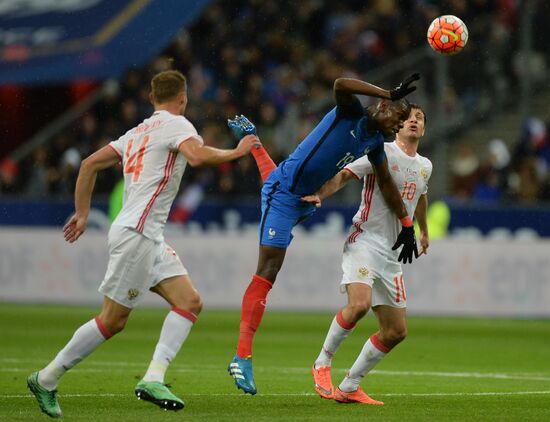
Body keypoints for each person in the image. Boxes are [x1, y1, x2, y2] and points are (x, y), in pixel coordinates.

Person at [27, 70, 260, 418]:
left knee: (190, 301)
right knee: (112, 320)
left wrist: (81, 213)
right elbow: (196, 157)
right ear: (183, 98)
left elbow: (89, 164)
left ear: (151, 98)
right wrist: (238, 150)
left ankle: (153, 377)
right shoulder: (178, 125)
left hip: (146, 235)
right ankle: (47, 377)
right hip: (137, 234)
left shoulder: (136, 132)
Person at [226, 74, 421, 395]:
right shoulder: (351, 112)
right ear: (383, 107)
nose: (397, 128)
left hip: (304, 198)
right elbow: (341, 83)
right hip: (283, 197)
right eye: (397, 119)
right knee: (268, 269)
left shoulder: (374, 143)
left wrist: (406, 222)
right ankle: (241, 357)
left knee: (284, 177)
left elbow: (385, 182)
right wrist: (387, 89)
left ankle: (254, 141)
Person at [307, 104, 431, 404]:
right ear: (398, 126)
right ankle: (322, 362)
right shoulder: (382, 151)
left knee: (396, 331)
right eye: (409, 118)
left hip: (392, 253)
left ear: (423, 129)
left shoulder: (426, 165)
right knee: (359, 305)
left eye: (420, 118)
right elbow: (346, 174)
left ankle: (350, 386)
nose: (414, 121)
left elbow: (422, 194)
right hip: (364, 241)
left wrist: (423, 230)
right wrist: (320, 195)